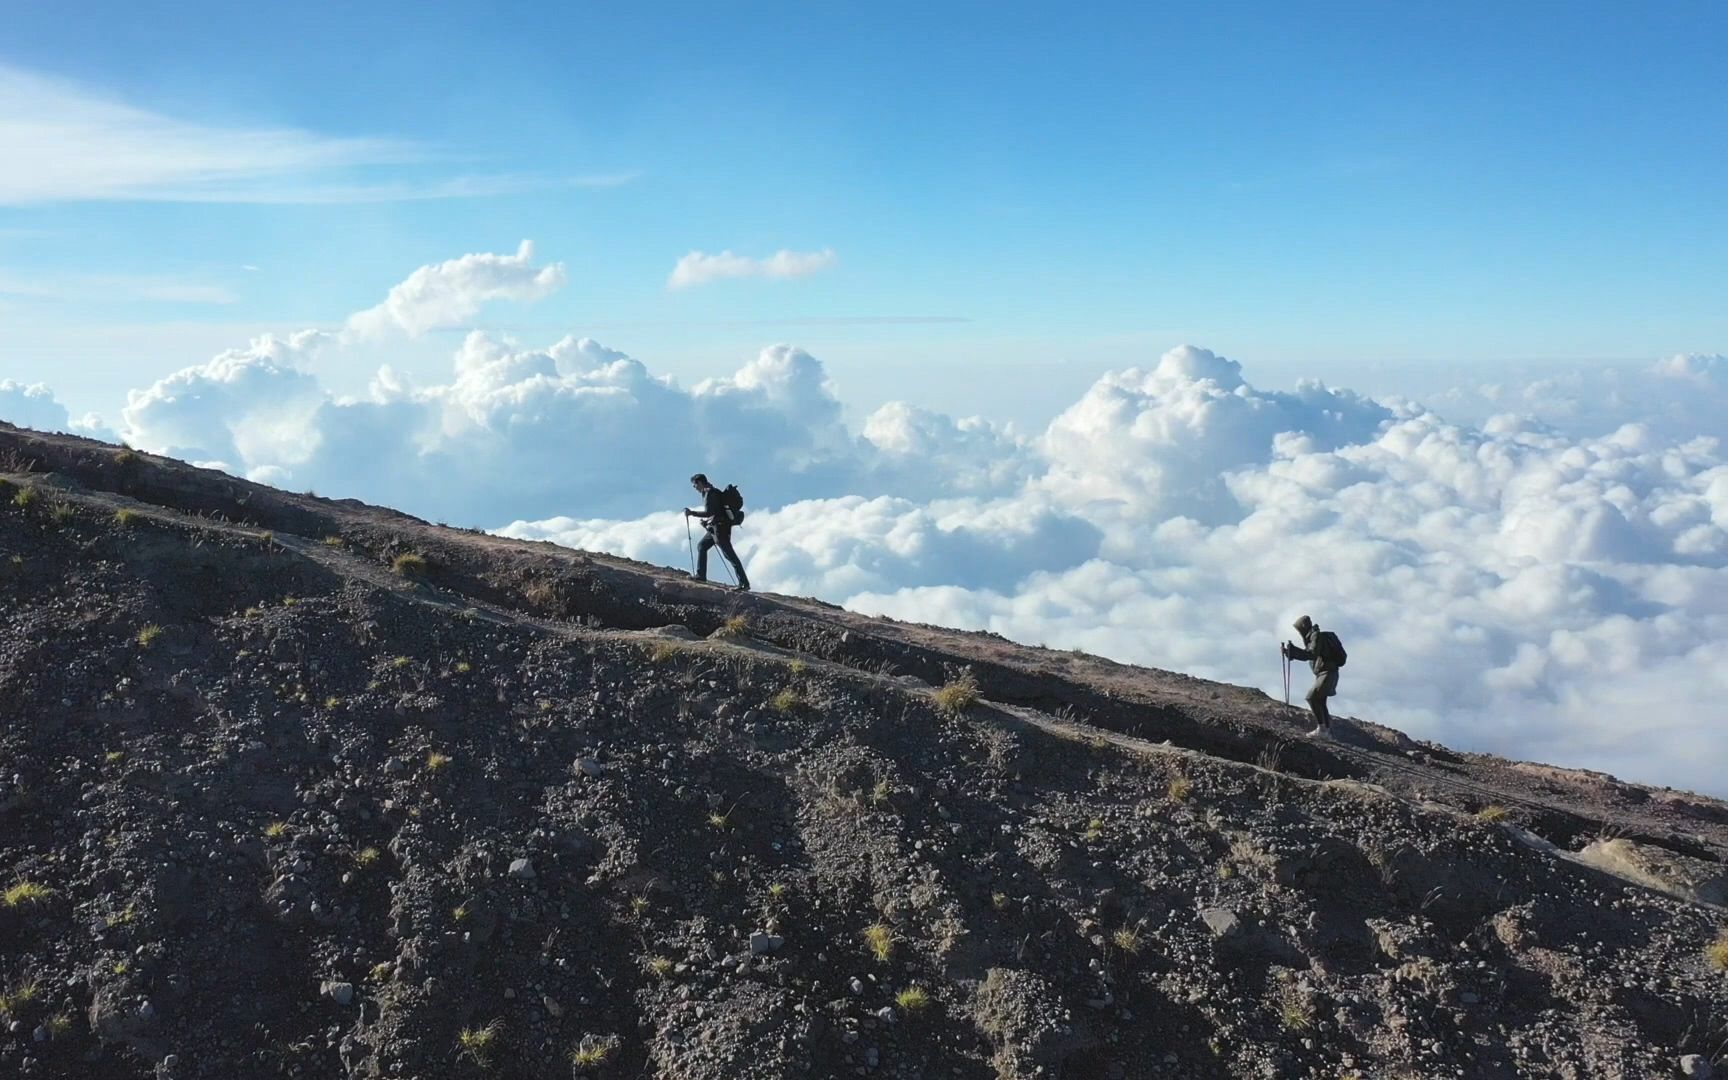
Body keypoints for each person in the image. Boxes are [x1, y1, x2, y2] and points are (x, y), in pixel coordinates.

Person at [684, 473, 750, 591]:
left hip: (720, 528)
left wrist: (691, 513)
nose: (694, 488)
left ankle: (744, 583)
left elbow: (709, 513)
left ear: (699, 482)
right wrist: (707, 523)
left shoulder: (710, 493)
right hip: (717, 527)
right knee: (702, 546)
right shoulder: (711, 492)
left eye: (694, 485)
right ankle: (701, 576)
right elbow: (715, 512)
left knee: (729, 555)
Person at [1282, 615, 1344, 738]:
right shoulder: (1312, 637)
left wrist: (1293, 651)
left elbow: (1311, 654)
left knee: (1312, 697)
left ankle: (1322, 730)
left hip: (1327, 673)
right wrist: (1292, 653)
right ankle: (1326, 731)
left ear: (1303, 627)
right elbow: (1309, 655)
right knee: (1320, 701)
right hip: (1326, 673)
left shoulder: (1316, 636)